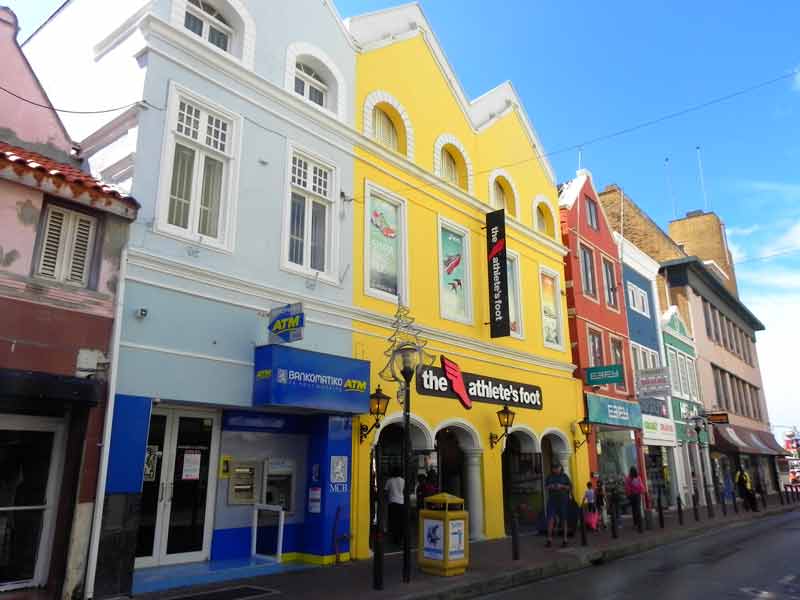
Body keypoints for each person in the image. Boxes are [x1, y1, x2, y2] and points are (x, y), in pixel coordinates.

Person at [545, 463, 571, 547]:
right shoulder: (549, 476)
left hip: (563, 501)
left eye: (557, 467)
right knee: (550, 519)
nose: (556, 469)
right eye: (554, 468)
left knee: (564, 520)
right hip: (552, 501)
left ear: (560, 468)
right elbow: (546, 487)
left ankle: (565, 540)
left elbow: (570, 487)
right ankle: (549, 539)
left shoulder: (564, 477)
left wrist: (562, 486)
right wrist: (552, 486)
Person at [385, 467, 405, 545]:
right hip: (401, 503)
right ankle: (400, 538)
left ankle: (394, 538)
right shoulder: (403, 480)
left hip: (392, 503)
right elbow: (405, 491)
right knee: (400, 522)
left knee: (393, 522)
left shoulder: (389, 481)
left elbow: (385, 492)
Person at [624, 466, 645, 532]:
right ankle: (640, 522)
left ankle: (635, 522)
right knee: (638, 508)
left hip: (632, 495)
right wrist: (642, 491)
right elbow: (641, 486)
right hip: (638, 495)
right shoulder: (638, 478)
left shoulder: (629, 479)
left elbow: (627, 487)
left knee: (634, 509)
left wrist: (628, 494)